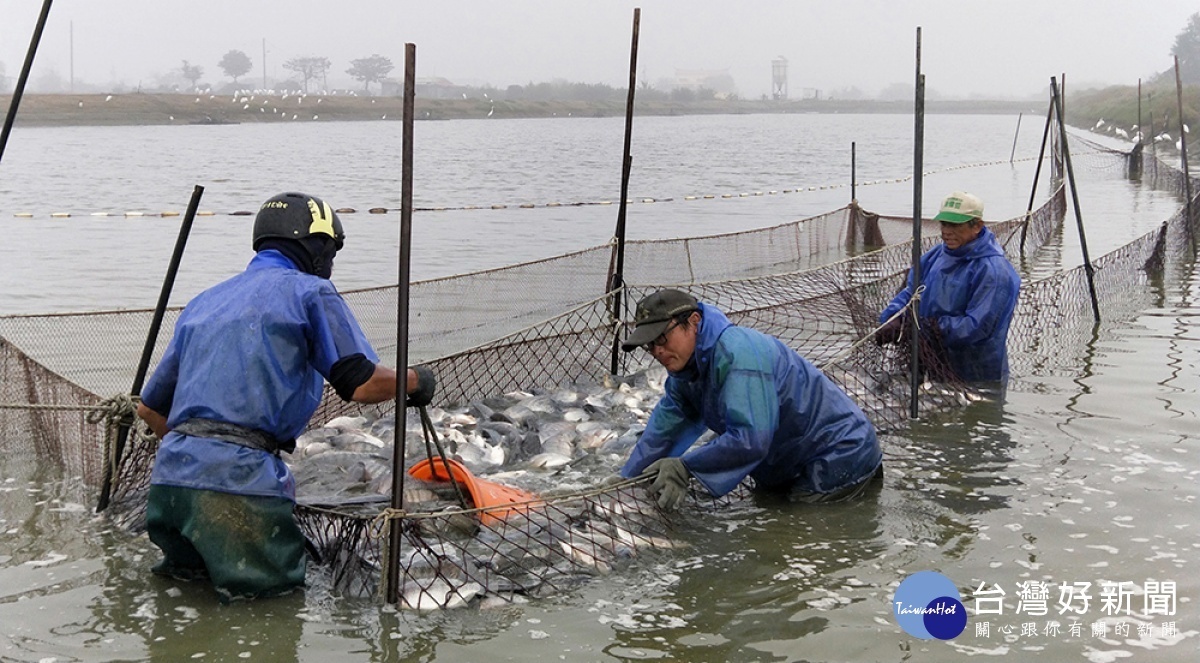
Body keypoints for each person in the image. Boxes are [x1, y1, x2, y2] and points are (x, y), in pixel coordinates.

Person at [135, 191, 436, 603]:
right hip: (240, 486)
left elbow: (150, 408)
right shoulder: (310, 292)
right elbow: (360, 383)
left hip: (170, 486)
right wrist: (416, 380)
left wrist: (198, 456)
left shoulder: (204, 301)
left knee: (185, 600)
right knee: (269, 611)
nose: (331, 261)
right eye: (331, 249)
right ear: (312, 245)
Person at [617, 288, 882, 510]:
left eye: (661, 337)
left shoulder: (737, 355)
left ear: (694, 321)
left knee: (791, 535)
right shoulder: (683, 374)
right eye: (649, 344)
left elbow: (751, 439)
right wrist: (624, 482)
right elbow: (663, 434)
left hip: (840, 451)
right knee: (768, 513)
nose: (657, 351)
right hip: (785, 458)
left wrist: (685, 467)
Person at [877, 191, 1020, 383]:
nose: (946, 231)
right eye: (944, 223)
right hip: (929, 361)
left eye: (955, 225)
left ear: (977, 226)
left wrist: (927, 328)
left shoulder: (994, 271)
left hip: (974, 374)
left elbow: (977, 328)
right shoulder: (936, 254)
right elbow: (911, 292)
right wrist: (894, 318)